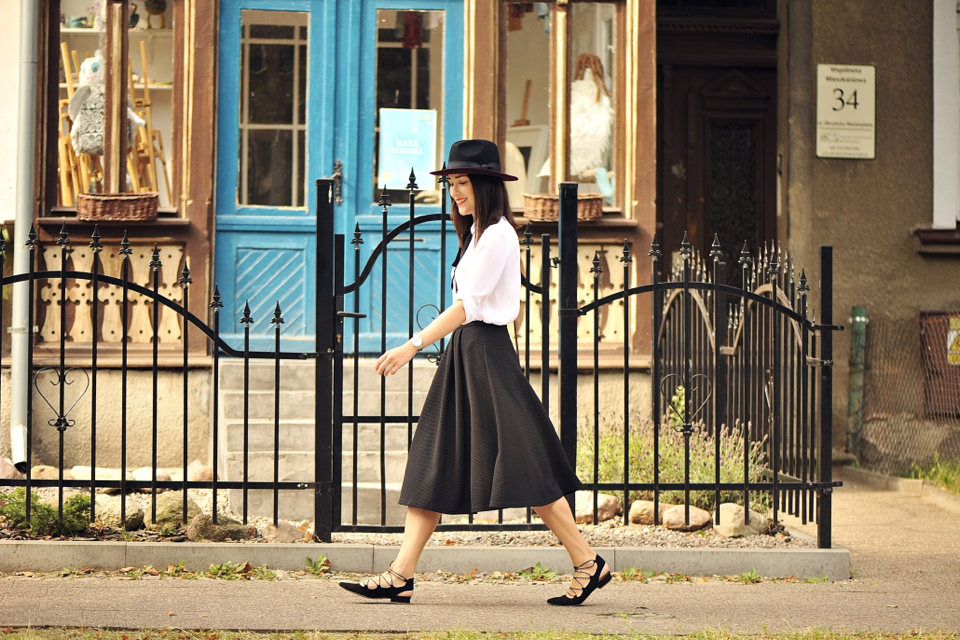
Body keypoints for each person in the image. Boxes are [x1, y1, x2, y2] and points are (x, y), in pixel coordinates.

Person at [339, 139, 611, 606]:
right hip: (467, 356)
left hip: (485, 355)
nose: (455, 194)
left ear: (484, 185)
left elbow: (468, 307)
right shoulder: (481, 235)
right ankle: (401, 573)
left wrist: (411, 346)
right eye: (451, 185)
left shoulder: (500, 234)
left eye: (461, 184)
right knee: (434, 459)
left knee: (524, 463)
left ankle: (588, 561)